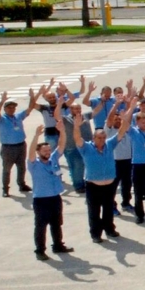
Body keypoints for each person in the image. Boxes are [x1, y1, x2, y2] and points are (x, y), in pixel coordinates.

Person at [73, 105, 123, 243]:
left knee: (108, 209)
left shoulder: (109, 145)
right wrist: (76, 126)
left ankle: (109, 229)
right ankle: (96, 234)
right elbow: (77, 138)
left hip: (109, 185)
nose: (102, 140)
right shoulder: (86, 148)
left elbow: (121, 132)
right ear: (94, 138)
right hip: (93, 185)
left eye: (103, 137)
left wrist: (125, 118)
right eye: (99, 138)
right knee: (94, 211)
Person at [27, 126, 72, 260]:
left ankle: (58, 245)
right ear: (38, 152)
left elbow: (62, 144)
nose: (47, 152)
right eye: (44, 150)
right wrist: (36, 136)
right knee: (41, 226)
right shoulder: (33, 164)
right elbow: (30, 152)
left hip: (55, 198)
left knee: (57, 223)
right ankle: (40, 250)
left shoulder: (54, 159)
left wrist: (63, 131)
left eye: (48, 150)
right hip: (41, 200)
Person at [0, 91, 33, 197]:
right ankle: (5, 189)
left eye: (13, 107)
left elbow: (30, 108)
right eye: (9, 107)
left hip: (21, 145)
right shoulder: (1, 119)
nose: (12, 109)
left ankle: (22, 184)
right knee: (7, 169)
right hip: (8, 148)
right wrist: (2, 101)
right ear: (5, 109)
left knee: (22, 167)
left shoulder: (18, 116)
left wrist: (32, 97)